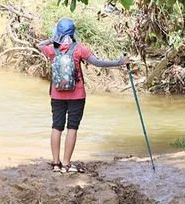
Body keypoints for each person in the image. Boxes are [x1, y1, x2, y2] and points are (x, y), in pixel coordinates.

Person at [38, 18, 130, 174]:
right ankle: (66, 164)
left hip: (57, 94)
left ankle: (55, 164)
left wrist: (53, 39)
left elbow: (40, 45)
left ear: (58, 33)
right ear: (73, 33)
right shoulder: (79, 48)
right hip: (77, 95)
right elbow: (97, 63)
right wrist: (120, 62)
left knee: (56, 127)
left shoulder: (52, 50)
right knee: (72, 128)